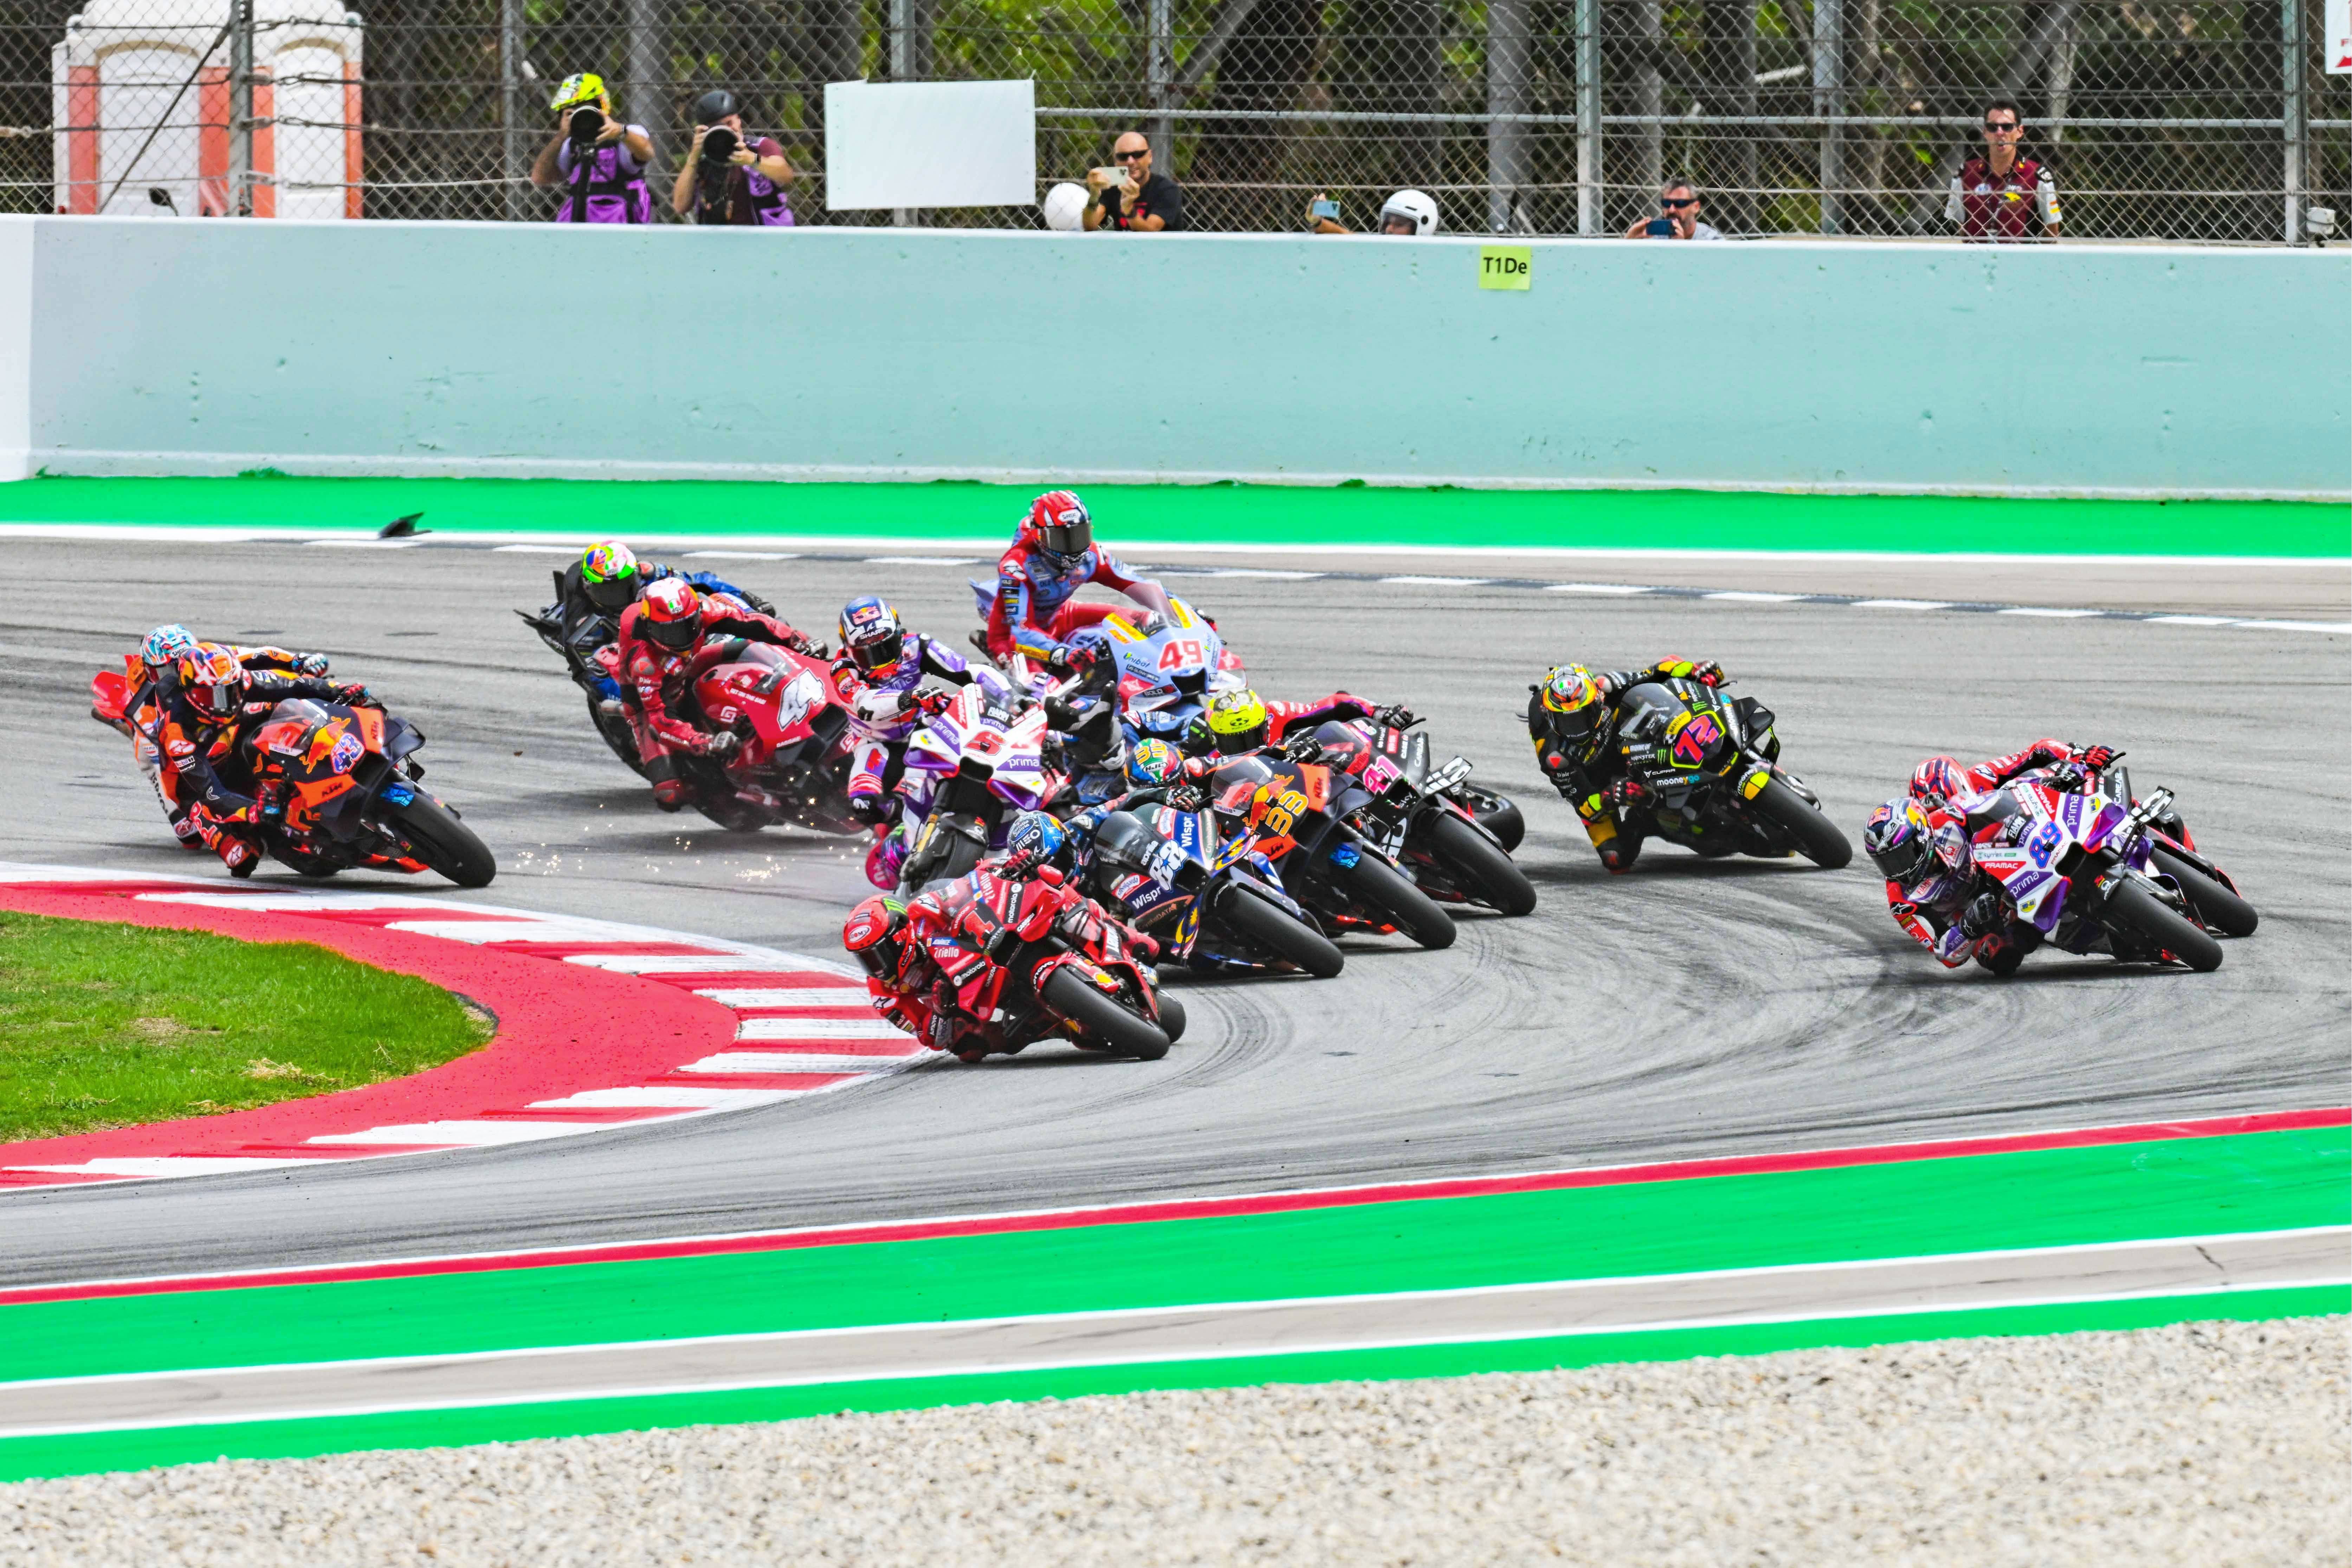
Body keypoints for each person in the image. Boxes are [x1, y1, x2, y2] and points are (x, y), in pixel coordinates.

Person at [152, 644, 367, 876]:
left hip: (234, 739)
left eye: (228, 691)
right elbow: (210, 793)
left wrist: (339, 691)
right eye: (211, 695)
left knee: (285, 709)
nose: (222, 702)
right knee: (243, 858)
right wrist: (254, 811)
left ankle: (328, 765)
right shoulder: (178, 732)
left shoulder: (239, 682)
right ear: (191, 693)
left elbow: (293, 685)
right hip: (196, 784)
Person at [612, 577, 825, 810]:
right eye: (670, 632)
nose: (681, 637)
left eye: (687, 626)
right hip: (649, 702)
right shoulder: (645, 666)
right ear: (651, 628)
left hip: (693, 659)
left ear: (696, 614)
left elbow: (753, 622)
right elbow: (660, 721)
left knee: (751, 646)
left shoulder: (706, 612)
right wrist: (706, 743)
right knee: (669, 794)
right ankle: (716, 789)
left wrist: (799, 640)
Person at [127, 628, 331, 847]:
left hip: (213, 704)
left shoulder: (206, 661)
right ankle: (181, 812)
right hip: (177, 736)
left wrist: (299, 662)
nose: (177, 675)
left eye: (180, 665)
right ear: (150, 670)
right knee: (187, 829)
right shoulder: (142, 687)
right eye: (168, 670)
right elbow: (165, 742)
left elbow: (256, 655)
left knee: (284, 684)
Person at [1525, 656, 1725, 873]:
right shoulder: (1556, 757)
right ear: (1551, 717)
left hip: (1631, 740)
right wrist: (1608, 797)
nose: (1577, 728)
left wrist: (1695, 670)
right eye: (1566, 721)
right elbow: (1583, 804)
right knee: (1616, 859)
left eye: (1583, 716)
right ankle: (1645, 818)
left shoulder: (1606, 686)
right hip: (1601, 780)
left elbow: (1654, 673)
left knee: (1656, 697)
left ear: (1597, 699)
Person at [830, 595, 997, 825]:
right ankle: (900, 817)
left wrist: (1008, 693)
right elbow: (866, 705)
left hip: (923, 728)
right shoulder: (842, 669)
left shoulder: (918, 646)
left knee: (983, 758)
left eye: (887, 648)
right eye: (866, 654)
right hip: (875, 743)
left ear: (899, 634)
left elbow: (968, 672)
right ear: (849, 648)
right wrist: (912, 697)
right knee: (864, 805)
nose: (880, 662)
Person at [541, 541, 776, 702]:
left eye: (624, 587)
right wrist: (632, 697)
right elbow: (589, 671)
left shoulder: (646, 571)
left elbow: (703, 581)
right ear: (590, 588)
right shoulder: (581, 617)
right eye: (609, 593)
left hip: (649, 615)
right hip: (605, 632)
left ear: (635, 575)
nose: (618, 597)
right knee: (591, 668)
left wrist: (748, 599)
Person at [986, 490, 1175, 667]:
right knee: (1039, 690)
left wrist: (1188, 613)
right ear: (1040, 537)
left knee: (1145, 619)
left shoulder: (1093, 556)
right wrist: (1066, 654)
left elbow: (1140, 585)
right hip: (1013, 638)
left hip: (1062, 616)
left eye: (1079, 535)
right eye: (1061, 539)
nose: (1073, 548)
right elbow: (1021, 632)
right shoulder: (1016, 566)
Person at [1864, 796, 2031, 972]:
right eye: (1886, 863)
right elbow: (1945, 954)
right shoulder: (1902, 903)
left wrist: (2043, 784)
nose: (1897, 870)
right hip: (1972, 917)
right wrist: (1970, 923)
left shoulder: (1948, 820)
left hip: (1996, 873)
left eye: (1902, 856)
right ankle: (2023, 925)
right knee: (1998, 954)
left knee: (2007, 828)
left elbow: (2000, 799)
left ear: (1922, 837)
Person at [532, 73, 655, 224]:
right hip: (578, 230)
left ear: (601, 105)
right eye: (571, 110)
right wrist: (561, 136)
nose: (580, 115)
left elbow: (647, 153)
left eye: (583, 108)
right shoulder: (571, 145)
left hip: (621, 231)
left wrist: (621, 132)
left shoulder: (627, 135)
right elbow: (540, 178)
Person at [671, 88, 794, 226]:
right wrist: (693, 157)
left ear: (739, 120)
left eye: (730, 123)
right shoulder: (703, 157)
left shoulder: (760, 146)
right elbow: (680, 206)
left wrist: (752, 160)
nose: (728, 129)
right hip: (718, 240)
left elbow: (786, 176)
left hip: (764, 238)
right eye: (718, 127)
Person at [1946, 99, 2060, 242]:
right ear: (1985, 132)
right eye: (1993, 127)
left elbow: (2052, 227)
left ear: (2020, 131)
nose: (2000, 133)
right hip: (1976, 259)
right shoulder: (1965, 173)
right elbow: (1959, 224)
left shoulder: (2038, 175)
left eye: (2007, 127)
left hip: (2019, 260)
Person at [1083, 131, 1184, 233]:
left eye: (1137, 155)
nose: (1130, 162)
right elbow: (1090, 226)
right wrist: (1094, 196)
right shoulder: (1112, 187)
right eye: (1123, 156)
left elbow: (1151, 232)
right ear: (1115, 160)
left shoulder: (1167, 190)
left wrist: (1129, 209)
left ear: (1150, 157)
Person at [1307, 189, 1437, 237]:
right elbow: (1347, 236)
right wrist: (1317, 221)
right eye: (1387, 221)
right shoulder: (1379, 250)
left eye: (1399, 223)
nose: (1389, 228)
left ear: (1423, 226)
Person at [1623, 181, 1724, 241]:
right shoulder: (1653, 237)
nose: (1672, 210)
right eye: (1667, 203)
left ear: (1696, 207)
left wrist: (1680, 249)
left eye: (1680, 203)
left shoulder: (1710, 240)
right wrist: (1629, 242)